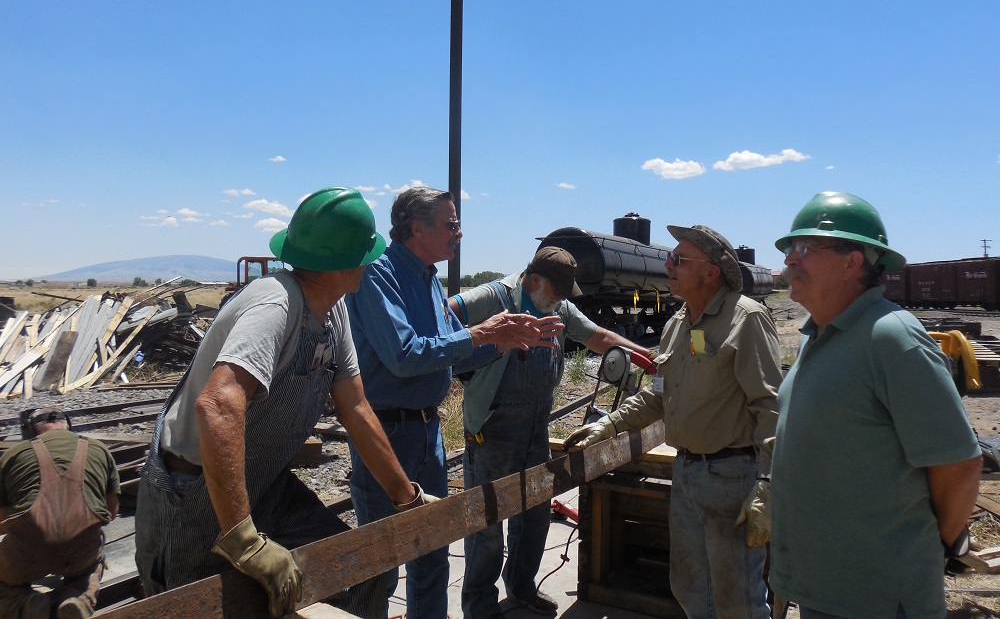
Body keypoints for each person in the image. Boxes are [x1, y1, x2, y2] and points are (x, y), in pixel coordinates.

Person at [135, 187, 433, 619]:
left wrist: (407, 499)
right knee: (202, 609)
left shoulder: (334, 311)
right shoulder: (275, 303)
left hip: (263, 483)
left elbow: (356, 410)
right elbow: (218, 405)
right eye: (367, 253)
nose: (372, 262)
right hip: (193, 495)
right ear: (347, 261)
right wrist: (242, 539)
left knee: (357, 574)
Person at [346, 186, 561, 619]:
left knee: (433, 551)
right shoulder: (378, 274)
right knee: (382, 559)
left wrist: (504, 339)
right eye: (452, 223)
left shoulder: (428, 277)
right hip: (386, 434)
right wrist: (482, 332)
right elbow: (406, 356)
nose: (459, 232)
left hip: (426, 432)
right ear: (416, 229)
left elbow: (453, 351)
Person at [770, 191, 982, 619]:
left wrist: (927, 550)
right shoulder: (819, 335)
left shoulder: (891, 337)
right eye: (791, 248)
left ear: (853, 262)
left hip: (876, 596)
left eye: (806, 248)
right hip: (821, 587)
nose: (792, 259)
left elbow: (958, 464)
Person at [564, 223, 781, 619]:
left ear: (712, 272)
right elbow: (659, 395)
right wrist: (608, 425)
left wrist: (767, 486)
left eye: (679, 259)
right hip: (687, 475)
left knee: (736, 599)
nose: (668, 264)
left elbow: (770, 407)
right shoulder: (679, 324)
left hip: (733, 477)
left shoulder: (745, 319)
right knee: (688, 585)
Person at [449, 246, 655, 619]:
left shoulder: (558, 308)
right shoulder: (493, 296)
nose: (561, 299)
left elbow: (600, 338)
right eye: (556, 290)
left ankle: (521, 588)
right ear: (533, 279)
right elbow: (444, 313)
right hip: (492, 430)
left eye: (565, 293)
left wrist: (651, 360)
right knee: (487, 522)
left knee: (535, 515)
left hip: (534, 427)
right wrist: (479, 337)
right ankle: (479, 606)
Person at [0, 407, 120, 619]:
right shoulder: (100, 450)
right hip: (80, 554)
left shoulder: (12, 455)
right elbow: (111, 512)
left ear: (29, 430)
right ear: (68, 425)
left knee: (5, 582)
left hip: (26, 554)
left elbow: (1, 519)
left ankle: (31, 606)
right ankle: (77, 599)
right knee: (91, 568)